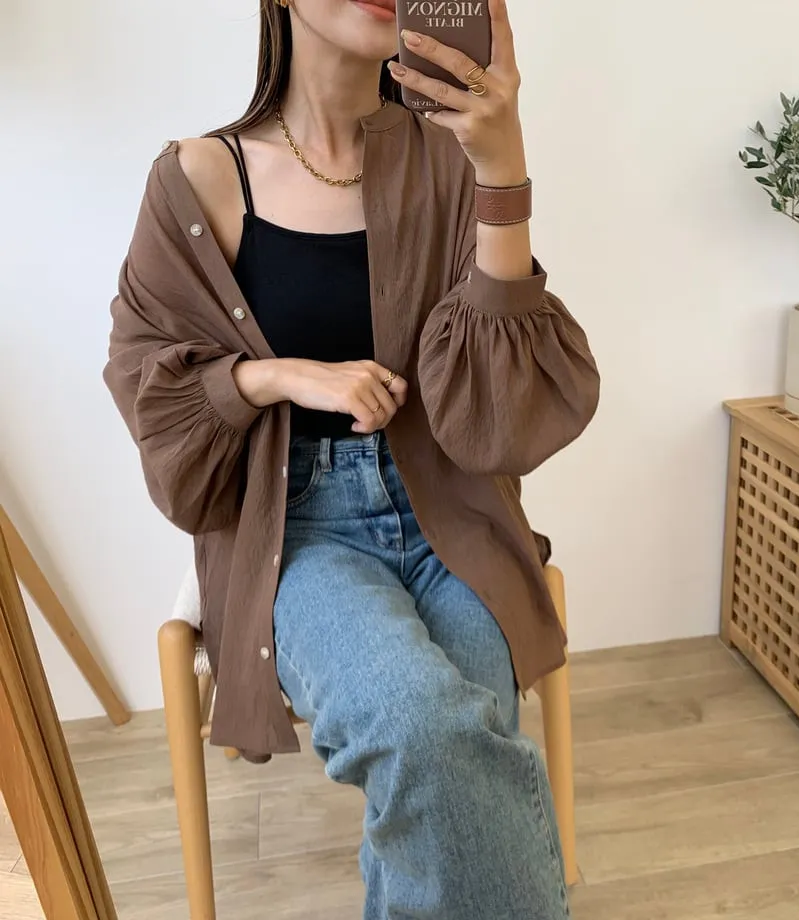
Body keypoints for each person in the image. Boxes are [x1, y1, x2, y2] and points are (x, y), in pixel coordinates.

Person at [103, 0, 600, 916]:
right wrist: (275, 377)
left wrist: (503, 170)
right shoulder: (197, 180)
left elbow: (504, 410)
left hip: (450, 511)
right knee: (425, 727)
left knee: (449, 748)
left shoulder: (451, 158)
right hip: (292, 531)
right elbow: (150, 389)